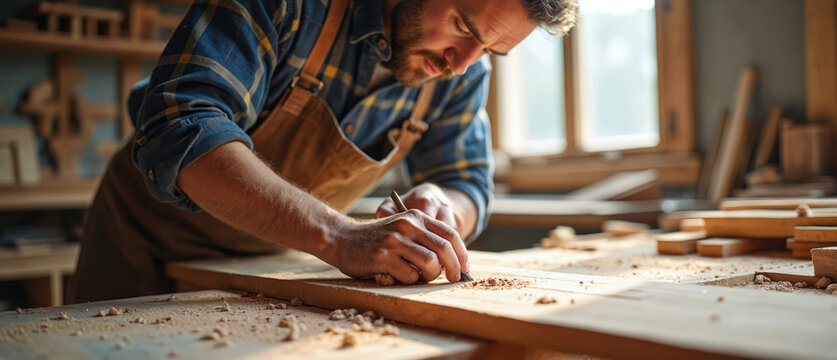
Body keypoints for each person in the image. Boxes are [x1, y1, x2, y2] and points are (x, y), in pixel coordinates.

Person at [67, 0, 577, 303]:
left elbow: (466, 182)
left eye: (490, 50)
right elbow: (182, 124)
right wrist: (337, 235)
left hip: (277, 260)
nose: (461, 63)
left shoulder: (461, 71)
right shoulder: (295, 6)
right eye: (464, 27)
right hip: (145, 241)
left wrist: (444, 205)